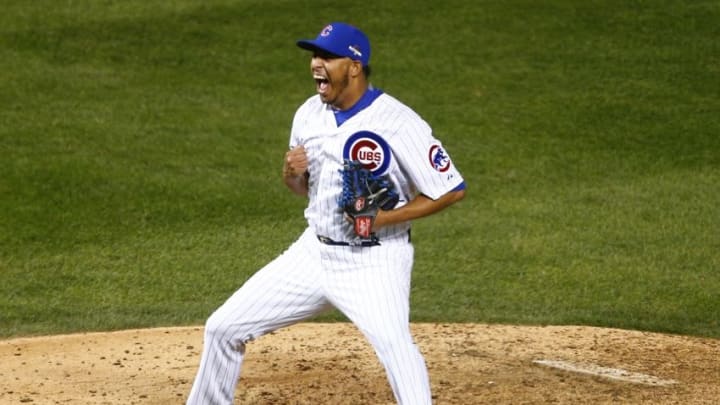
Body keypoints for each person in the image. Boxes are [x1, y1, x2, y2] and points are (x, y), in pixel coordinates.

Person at [186, 21, 466, 405]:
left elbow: (451, 188)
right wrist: (290, 175)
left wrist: (383, 219)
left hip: (375, 261)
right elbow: (302, 189)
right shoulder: (308, 114)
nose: (316, 64)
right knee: (222, 328)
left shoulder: (398, 122)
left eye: (327, 56)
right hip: (313, 254)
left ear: (354, 66)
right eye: (314, 55)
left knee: (396, 348)